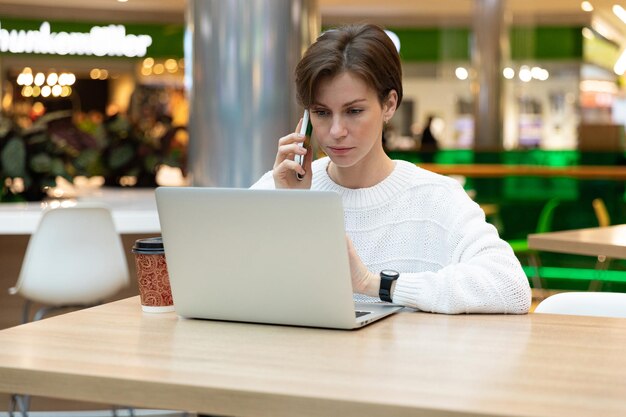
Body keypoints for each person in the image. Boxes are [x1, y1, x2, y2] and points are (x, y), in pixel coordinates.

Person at [251, 23, 531, 314]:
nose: (336, 131)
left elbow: (510, 287)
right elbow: (231, 283)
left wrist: (376, 285)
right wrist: (286, 208)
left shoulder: (437, 197)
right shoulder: (280, 187)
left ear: (389, 104)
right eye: (321, 113)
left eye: (354, 111)